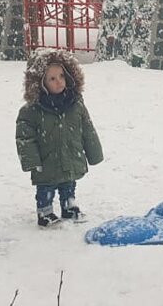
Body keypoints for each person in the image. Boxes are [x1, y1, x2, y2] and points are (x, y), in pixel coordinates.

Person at [15, 49, 103, 227]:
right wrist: (31, 160)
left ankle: (68, 206)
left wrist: (94, 152)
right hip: (46, 159)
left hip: (70, 154)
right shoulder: (32, 110)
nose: (59, 82)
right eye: (52, 79)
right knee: (46, 187)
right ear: (39, 82)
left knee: (68, 183)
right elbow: (25, 137)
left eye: (61, 76)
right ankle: (45, 211)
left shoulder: (75, 102)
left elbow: (87, 128)